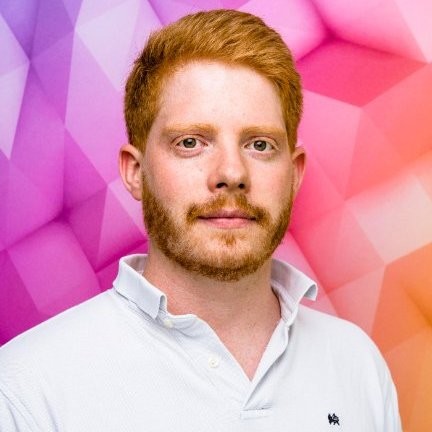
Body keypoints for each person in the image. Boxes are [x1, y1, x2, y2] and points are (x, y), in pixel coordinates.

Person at [0, 9, 401, 431]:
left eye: (260, 145)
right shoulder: (27, 390)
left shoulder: (358, 366)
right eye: (191, 142)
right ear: (135, 172)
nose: (231, 173)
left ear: (295, 173)